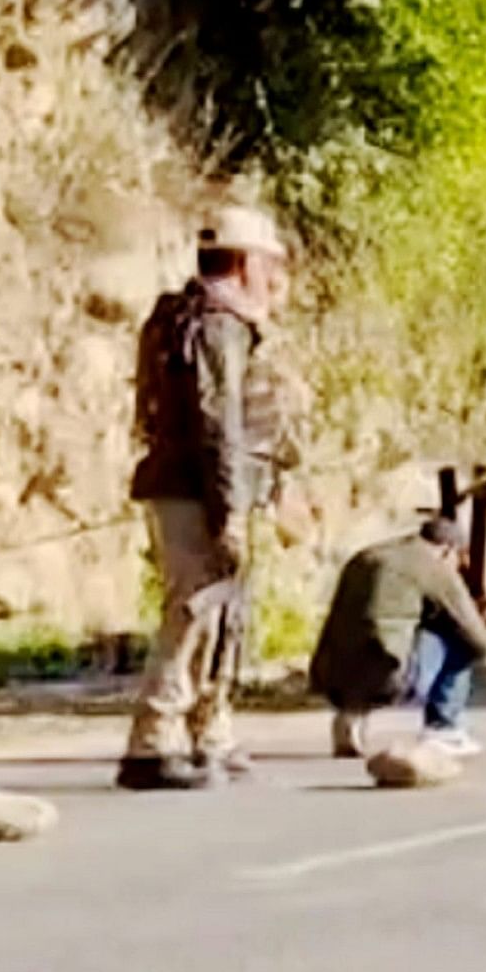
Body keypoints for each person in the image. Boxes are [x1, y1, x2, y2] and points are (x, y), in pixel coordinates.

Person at [121, 205, 294, 791]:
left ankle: (206, 730)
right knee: (194, 608)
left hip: (195, 486)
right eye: (271, 265)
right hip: (200, 492)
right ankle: (153, 739)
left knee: (219, 612)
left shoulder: (188, 317)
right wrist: (231, 513)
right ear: (245, 264)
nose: (277, 279)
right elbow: (220, 425)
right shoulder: (219, 325)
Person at [313, 508, 486, 757]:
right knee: (458, 638)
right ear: (448, 550)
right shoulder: (433, 566)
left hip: (330, 676)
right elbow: (480, 642)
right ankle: (444, 728)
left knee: (377, 630)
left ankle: (352, 712)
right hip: (390, 678)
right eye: (459, 560)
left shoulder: (367, 556)